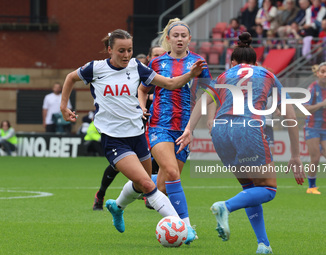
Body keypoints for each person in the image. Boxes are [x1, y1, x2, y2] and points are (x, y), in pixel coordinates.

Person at [60, 29, 205, 242]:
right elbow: (70, 78)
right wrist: (64, 106)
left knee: (141, 184)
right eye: (121, 51)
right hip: (113, 139)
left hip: (137, 135)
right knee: (149, 185)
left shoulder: (138, 67)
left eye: (129, 50)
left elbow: (171, 84)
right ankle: (183, 227)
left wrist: (191, 75)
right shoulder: (96, 68)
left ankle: (117, 207)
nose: (126, 55)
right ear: (110, 50)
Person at [176, 32, 306, 254]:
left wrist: (189, 129)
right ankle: (225, 207)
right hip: (248, 129)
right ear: (256, 62)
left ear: (232, 62)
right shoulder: (267, 74)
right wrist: (295, 155)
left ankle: (263, 244)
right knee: (268, 189)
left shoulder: (225, 76)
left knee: (249, 188)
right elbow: (290, 116)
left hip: (220, 131)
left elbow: (202, 102)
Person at [138, 18, 212, 241]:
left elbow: (208, 94)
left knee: (161, 186)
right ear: (168, 39)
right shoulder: (157, 63)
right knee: (171, 172)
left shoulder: (199, 62)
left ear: (189, 38)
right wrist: (142, 108)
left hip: (184, 128)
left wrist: (201, 122)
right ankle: (187, 228)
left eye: (183, 35)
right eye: (175, 35)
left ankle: (124, 199)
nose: (179, 39)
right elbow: (143, 89)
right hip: (159, 125)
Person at [92, 45, 166, 211]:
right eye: (155, 55)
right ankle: (101, 194)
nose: (158, 58)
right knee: (117, 165)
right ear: (149, 57)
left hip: (153, 124)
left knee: (154, 160)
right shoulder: (136, 71)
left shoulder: (163, 74)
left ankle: (147, 193)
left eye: (162, 55)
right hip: (127, 125)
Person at [304, 62, 326, 195]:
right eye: (323, 71)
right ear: (318, 74)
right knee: (315, 159)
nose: (325, 74)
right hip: (312, 126)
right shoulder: (312, 88)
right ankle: (311, 187)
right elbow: (305, 108)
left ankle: (319, 148)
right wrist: (321, 104)